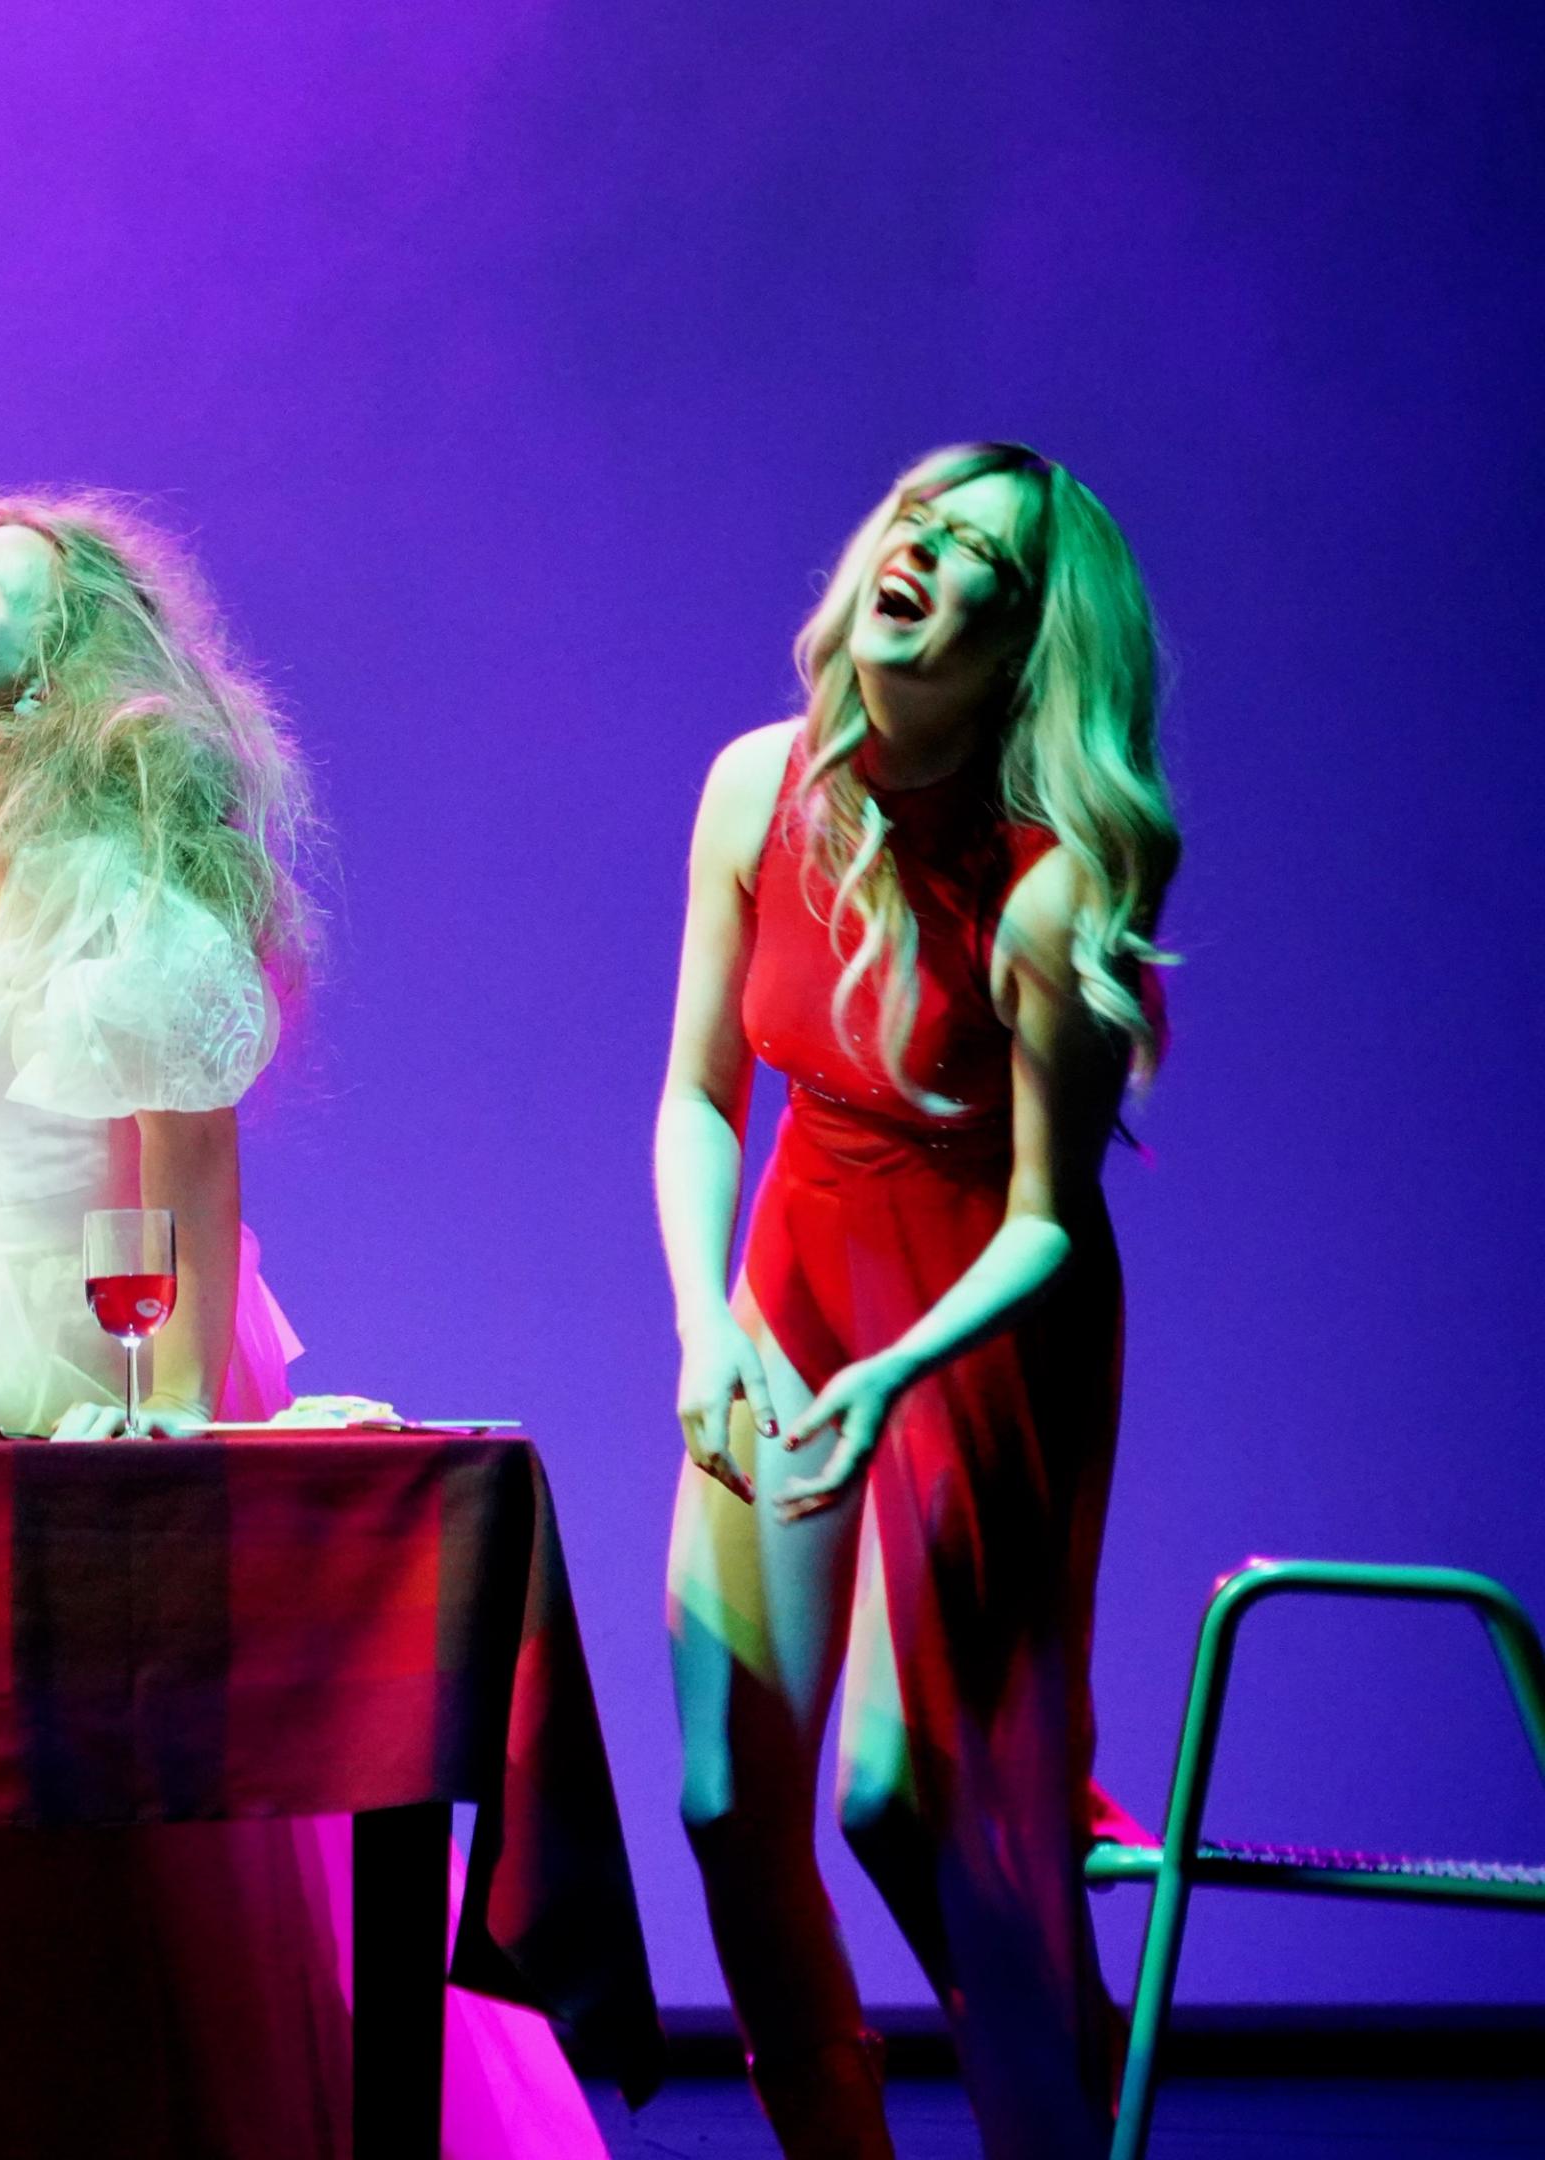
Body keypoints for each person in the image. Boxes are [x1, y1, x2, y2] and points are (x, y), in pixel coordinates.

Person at [0, 495, 601, 2156]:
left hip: (76, 1335)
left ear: (47, 674)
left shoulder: (106, 887)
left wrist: (176, 1416)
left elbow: (186, 1172)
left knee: (42, 1817)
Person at [653, 444, 1175, 2158]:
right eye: (914, 523)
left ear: (1021, 640)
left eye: (974, 560)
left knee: (911, 1805)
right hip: (794, 1281)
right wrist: (704, 1320)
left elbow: (1048, 1221)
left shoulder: (1049, 879)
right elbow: (701, 1097)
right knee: (727, 1798)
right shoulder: (757, 784)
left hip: (978, 1325)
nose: (920, 558)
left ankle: (1061, 2123)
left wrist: (891, 1377)